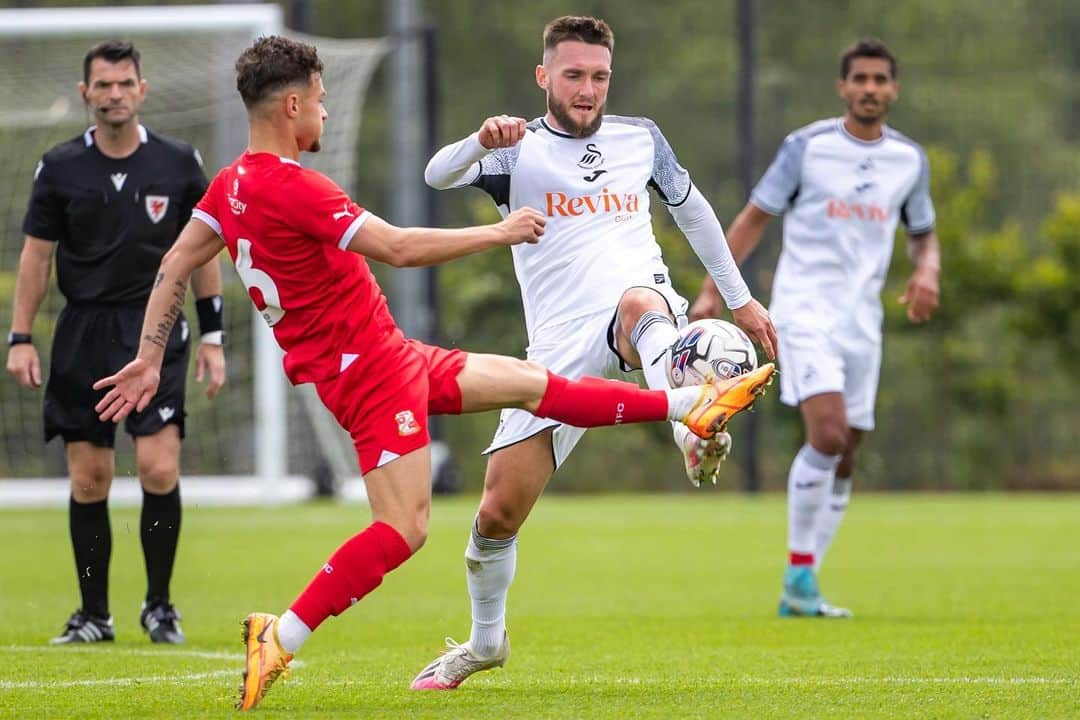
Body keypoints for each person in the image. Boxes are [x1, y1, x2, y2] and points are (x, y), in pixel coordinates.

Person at [91, 35, 775, 711]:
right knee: (404, 529)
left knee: (539, 387)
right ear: (291, 105)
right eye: (321, 103)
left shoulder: (232, 184)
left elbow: (175, 262)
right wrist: (497, 233)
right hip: (367, 374)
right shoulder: (296, 187)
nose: (326, 114)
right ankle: (282, 633)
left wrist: (151, 357)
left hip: (391, 353)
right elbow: (395, 246)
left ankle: (687, 405)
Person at [410, 15, 777, 690]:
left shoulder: (641, 139)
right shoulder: (516, 150)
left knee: (642, 307)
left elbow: (693, 211)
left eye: (599, 76)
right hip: (556, 345)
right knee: (496, 516)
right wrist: (477, 140)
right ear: (544, 76)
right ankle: (485, 644)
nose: (587, 89)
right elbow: (435, 176)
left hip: (640, 305)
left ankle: (688, 422)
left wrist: (741, 298)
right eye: (574, 75)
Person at [689, 39, 940, 617]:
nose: (871, 89)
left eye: (881, 79)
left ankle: (804, 585)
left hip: (862, 320)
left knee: (847, 453)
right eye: (861, 79)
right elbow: (753, 219)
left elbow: (923, 231)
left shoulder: (910, 160)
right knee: (826, 434)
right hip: (802, 310)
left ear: (894, 89)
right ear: (843, 87)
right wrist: (713, 290)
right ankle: (799, 578)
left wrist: (927, 269)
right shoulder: (807, 148)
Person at [6, 40, 226, 645]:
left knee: (158, 466)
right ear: (86, 95)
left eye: (124, 83)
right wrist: (20, 336)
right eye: (102, 86)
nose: (114, 94)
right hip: (84, 330)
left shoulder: (180, 162)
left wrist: (214, 334)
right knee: (89, 479)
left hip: (153, 327)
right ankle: (94, 616)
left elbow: (203, 249)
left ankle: (159, 607)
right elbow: (36, 257)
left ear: (142, 89)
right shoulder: (58, 166)